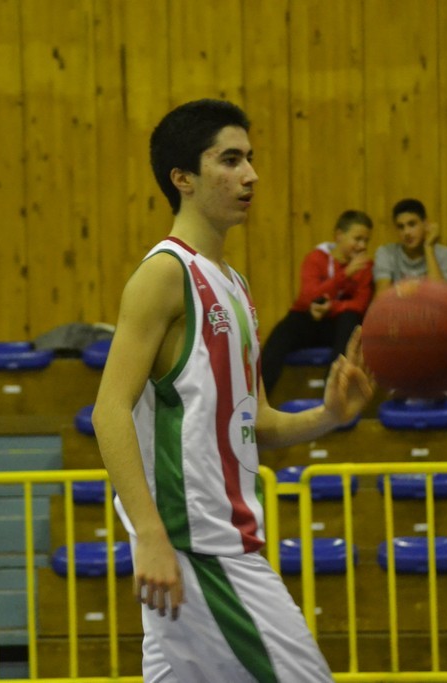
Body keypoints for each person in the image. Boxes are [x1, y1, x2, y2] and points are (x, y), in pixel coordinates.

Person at [92, 99, 375, 682]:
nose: (251, 175)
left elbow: (257, 422)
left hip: (214, 544)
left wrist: (328, 415)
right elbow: (108, 411)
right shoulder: (165, 274)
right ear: (183, 178)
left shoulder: (236, 285)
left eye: (250, 158)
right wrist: (150, 535)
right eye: (230, 160)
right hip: (199, 547)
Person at [260, 210, 374, 397]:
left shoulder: (365, 266)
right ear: (339, 235)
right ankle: (257, 401)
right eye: (357, 239)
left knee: (351, 320)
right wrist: (345, 275)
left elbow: (359, 305)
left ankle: (334, 396)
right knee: (284, 331)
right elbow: (308, 297)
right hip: (310, 320)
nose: (362, 245)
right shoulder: (316, 258)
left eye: (366, 240)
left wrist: (331, 307)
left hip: (339, 327)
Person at [372, 197, 447, 292]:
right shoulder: (386, 253)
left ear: (425, 224)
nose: (406, 232)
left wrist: (428, 247)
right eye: (401, 227)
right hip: (396, 302)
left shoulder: (444, 254)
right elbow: (382, 296)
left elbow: (439, 294)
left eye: (412, 224)